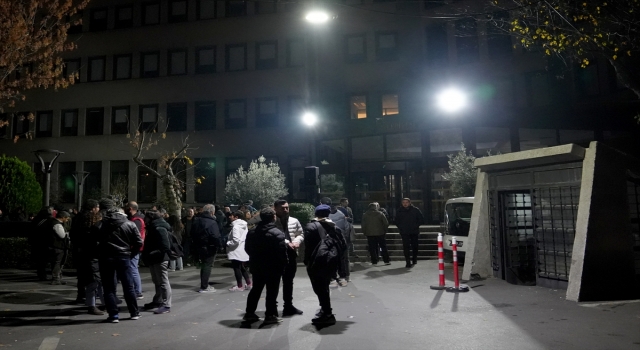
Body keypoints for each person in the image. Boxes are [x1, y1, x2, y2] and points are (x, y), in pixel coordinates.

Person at [97, 199, 143, 323]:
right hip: (124, 257)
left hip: (106, 258)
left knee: (109, 288)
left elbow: (93, 242)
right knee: (128, 286)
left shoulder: (101, 225)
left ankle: (113, 315)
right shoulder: (130, 224)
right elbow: (139, 242)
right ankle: (134, 312)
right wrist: (131, 254)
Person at [243, 208, 288, 325]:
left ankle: (249, 313)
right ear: (273, 217)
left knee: (256, 289)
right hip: (273, 267)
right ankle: (270, 315)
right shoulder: (277, 233)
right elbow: (282, 252)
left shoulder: (252, 232)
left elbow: (247, 248)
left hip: (257, 265)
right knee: (272, 291)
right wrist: (283, 265)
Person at [303, 204, 346, 325]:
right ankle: (325, 310)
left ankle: (327, 313)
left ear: (316, 214)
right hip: (330, 261)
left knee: (319, 288)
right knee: (324, 287)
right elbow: (343, 245)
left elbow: (308, 247)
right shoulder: (334, 227)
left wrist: (307, 261)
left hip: (316, 261)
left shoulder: (311, 226)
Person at [70, 199, 104, 315]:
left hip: (81, 252)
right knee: (94, 280)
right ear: (93, 208)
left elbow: (73, 235)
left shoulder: (77, 218)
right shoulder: (92, 223)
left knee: (83, 276)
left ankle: (81, 296)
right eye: (97, 207)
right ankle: (93, 304)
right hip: (91, 254)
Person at [273, 199, 305, 317]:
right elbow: (275, 235)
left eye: (287, 207)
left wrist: (297, 241)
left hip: (291, 254)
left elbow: (301, 233)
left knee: (288, 282)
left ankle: (288, 306)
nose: (285, 210)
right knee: (274, 282)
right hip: (276, 255)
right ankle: (272, 308)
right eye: (283, 208)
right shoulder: (272, 221)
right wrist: (287, 242)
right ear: (275, 208)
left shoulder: (294, 221)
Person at [141, 210, 173, 314]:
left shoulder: (158, 228)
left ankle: (166, 304)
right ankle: (158, 301)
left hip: (160, 258)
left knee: (163, 281)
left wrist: (152, 253)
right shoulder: (155, 227)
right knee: (158, 281)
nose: (144, 220)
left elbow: (165, 246)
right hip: (156, 257)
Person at [191, 204, 221, 293]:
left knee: (204, 266)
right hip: (209, 247)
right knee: (208, 266)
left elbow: (192, 233)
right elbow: (215, 236)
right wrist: (219, 245)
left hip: (199, 246)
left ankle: (204, 284)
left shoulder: (197, 220)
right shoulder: (212, 222)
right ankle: (204, 286)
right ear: (212, 212)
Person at [395, 198, 425, 268]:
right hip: (404, 232)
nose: (405, 204)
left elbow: (421, 220)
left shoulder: (415, 210)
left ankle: (414, 259)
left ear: (409, 203)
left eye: (406, 202)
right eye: (403, 202)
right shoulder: (399, 211)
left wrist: (415, 226)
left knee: (415, 246)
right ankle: (407, 261)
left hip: (414, 231)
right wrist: (401, 227)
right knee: (406, 247)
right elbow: (396, 221)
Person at [227, 210, 251, 291]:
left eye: (231, 216)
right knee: (241, 267)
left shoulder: (236, 227)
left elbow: (235, 240)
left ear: (236, 217)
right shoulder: (244, 225)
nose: (230, 217)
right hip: (241, 249)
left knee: (237, 268)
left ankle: (240, 286)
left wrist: (228, 243)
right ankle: (249, 283)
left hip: (235, 250)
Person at [125, 201, 145, 299]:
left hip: (134, 247)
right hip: (135, 247)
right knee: (133, 268)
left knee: (133, 268)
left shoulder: (136, 220)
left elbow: (133, 235)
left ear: (131, 208)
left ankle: (138, 291)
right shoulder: (136, 218)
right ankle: (136, 290)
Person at [31, 206, 54, 281]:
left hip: (36, 242)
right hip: (45, 243)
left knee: (40, 261)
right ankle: (48, 275)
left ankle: (41, 274)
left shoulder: (36, 219)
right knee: (47, 260)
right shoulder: (49, 220)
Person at [328, 204, 349, 287]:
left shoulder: (326, 216)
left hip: (331, 240)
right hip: (340, 240)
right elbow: (346, 228)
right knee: (342, 259)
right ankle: (343, 276)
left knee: (333, 259)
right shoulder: (341, 215)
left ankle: (333, 277)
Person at [48, 211, 71, 285]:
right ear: (63, 217)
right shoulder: (57, 224)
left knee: (56, 262)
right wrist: (67, 234)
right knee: (58, 263)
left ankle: (58, 278)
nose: (67, 220)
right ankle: (56, 278)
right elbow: (62, 235)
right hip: (58, 246)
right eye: (66, 218)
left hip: (55, 246)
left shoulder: (54, 222)